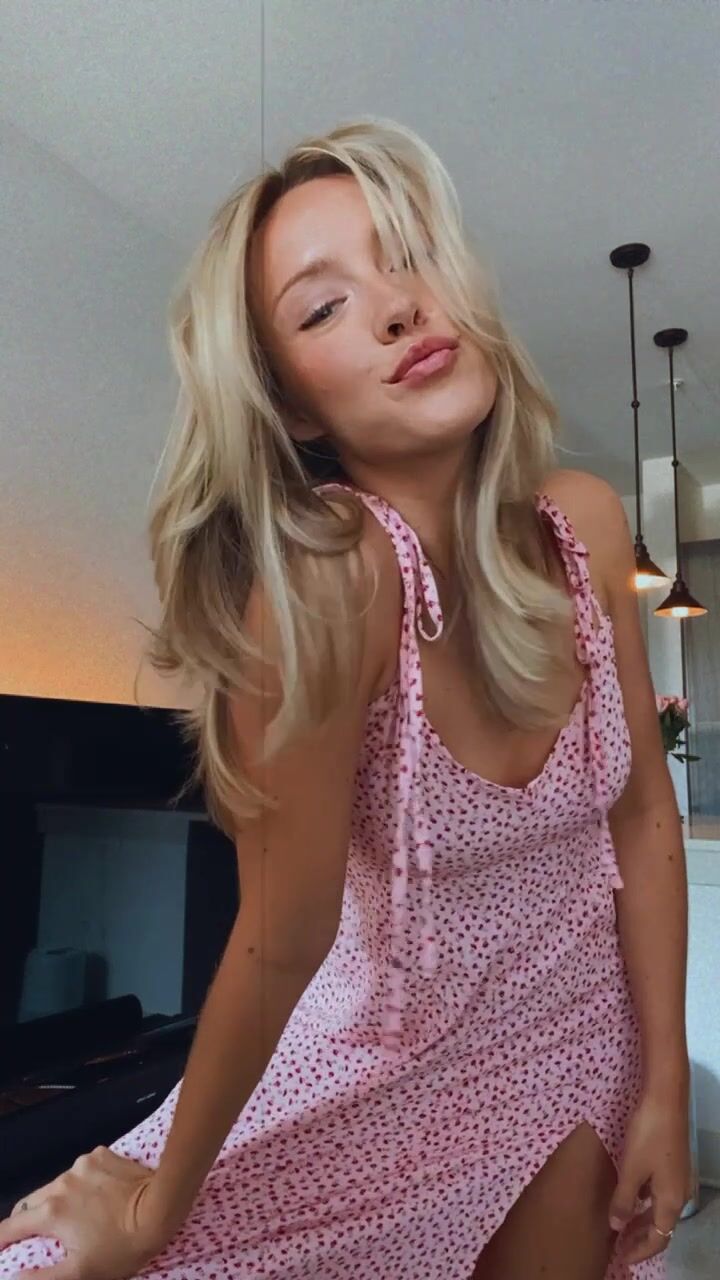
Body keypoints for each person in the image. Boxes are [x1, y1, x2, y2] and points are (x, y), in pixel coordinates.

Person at [0, 118, 691, 1280]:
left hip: (580, 1040)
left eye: (409, 257)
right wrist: (157, 1205)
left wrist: (667, 1082)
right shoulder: (334, 577)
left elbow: (642, 816)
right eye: (324, 307)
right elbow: (283, 935)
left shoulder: (584, 520)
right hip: (380, 1069)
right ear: (296, 408)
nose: (399, 307)